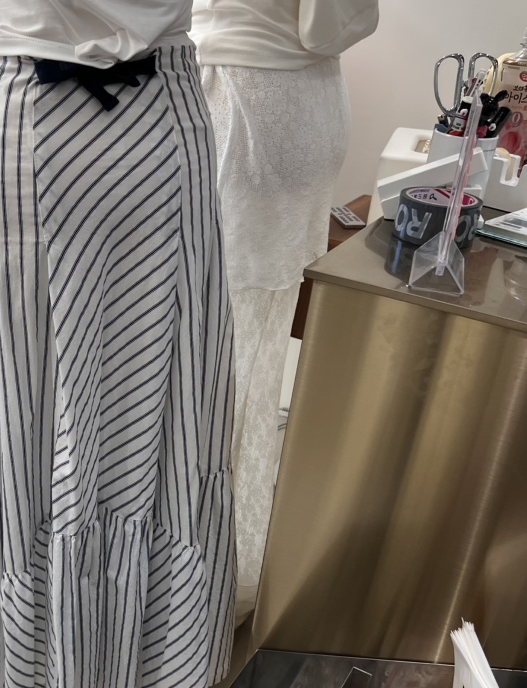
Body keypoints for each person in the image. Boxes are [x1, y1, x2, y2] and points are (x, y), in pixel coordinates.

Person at [0, 0, 237, 688]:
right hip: (138, 111)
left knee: (43, 419)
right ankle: (123, 685)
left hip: (45, 110)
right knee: (144, 422)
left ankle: (69, 682)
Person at [190, 0, 379, 622]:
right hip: (289, 106)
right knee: (245, 355)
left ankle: (190, 577)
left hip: (244, 107)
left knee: (205, 358)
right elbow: (332, 23)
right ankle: (217, 565)